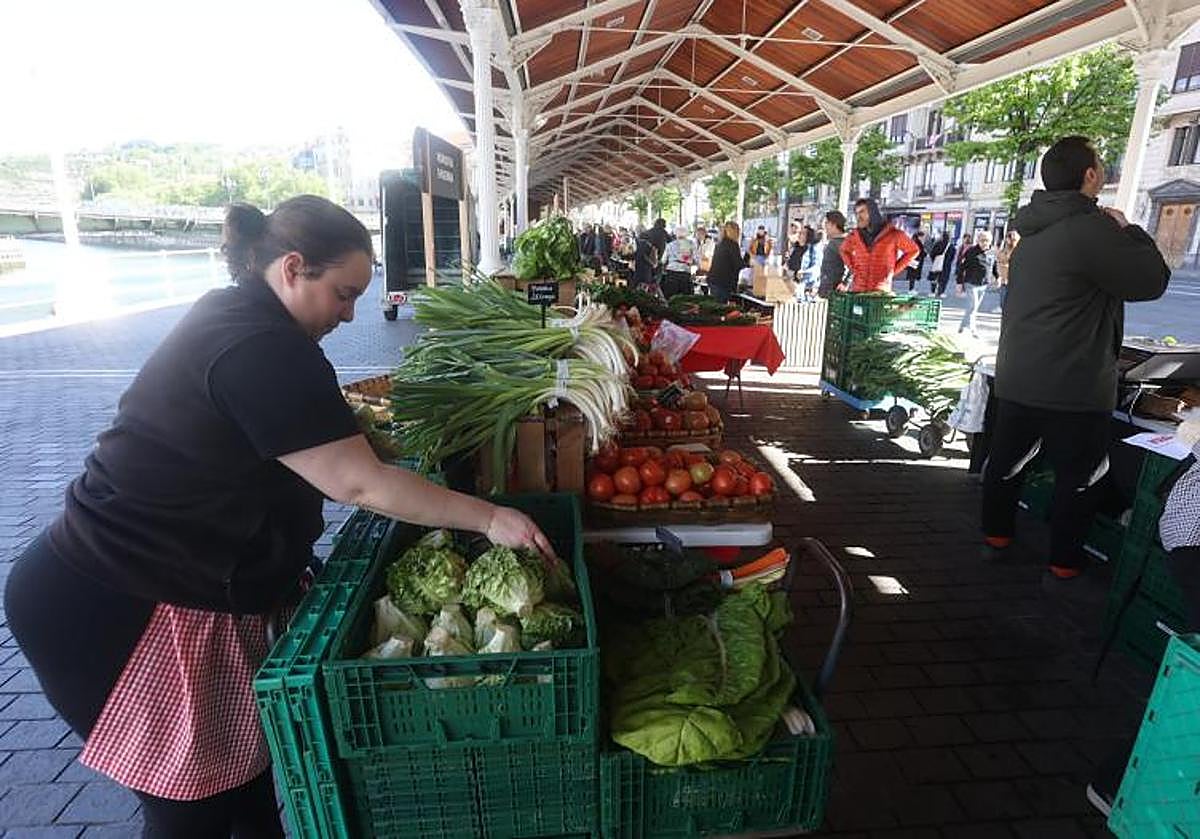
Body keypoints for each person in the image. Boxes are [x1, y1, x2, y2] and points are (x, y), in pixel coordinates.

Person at [2, 196, 556, 838]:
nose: (351, 313)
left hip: (155, 588)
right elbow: (359, 484)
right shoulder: (257, 345)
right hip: (114, 603)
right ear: (293, 267)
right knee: (191, 808)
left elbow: (321, 446)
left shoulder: (249, 319)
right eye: (343, 293)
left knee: (246, 784)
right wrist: (487, 518)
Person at [981, 135, 1170, 580]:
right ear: (1089, 175)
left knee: (1007, 462)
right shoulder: (1091, 228)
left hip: (1019, 373)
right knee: (1079, 476)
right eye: (1101, 163)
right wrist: (1131, 230)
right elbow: (1151, 280)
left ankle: (996, 535)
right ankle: (1064, 562)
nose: (1103, 169)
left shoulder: (1031, 232)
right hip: (1073, 383)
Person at [839, 198, 920, 293]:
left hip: (880, 291)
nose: (858, 217)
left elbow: (913, 250)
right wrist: (854, 268)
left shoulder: (894, 234)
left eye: (862, 212)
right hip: (858, 289)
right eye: (856, 213)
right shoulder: (854, 235)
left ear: (873, 212)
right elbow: (844, 250)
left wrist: (893, 270)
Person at [956, 230, 999, 338]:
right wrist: (959, 283)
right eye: (982, 240)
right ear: (978, 241)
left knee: (974, 308)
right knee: (972, 306)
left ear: (990, 241)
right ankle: (973, 330)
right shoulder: (971, 251)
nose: (984, 243)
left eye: (987, 240)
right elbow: (961, 268)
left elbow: (993, 266)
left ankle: (962, 326)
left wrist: (998, 277)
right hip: (971, 283)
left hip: (983, 285)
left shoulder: (991, 252)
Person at [707, 221, 742, 303]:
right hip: (723, 282)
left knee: (715, 306)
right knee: (721, 308)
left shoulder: (720, 243)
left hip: (714, 280)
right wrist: (749, 264)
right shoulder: (733, 245)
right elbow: (738, 264)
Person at [817, 211, 848, 298]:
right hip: (827, 289)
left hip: (836, 291)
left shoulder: (843, 243)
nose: (825, 226)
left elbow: (853, 266)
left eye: (827, 223)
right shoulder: (833, 242)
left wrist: (845, 283)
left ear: (834, 224)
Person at [662, 225, 697, 298]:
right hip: (685, 273)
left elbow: (663, 260)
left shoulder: (670, 245)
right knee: (686, 299)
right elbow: (696, 260)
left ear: (676, 234)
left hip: (671, 273)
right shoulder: (691, 244)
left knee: (671, 298)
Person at [795, 225, 823, 303]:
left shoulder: (814, 248)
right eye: (800, 233)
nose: (799, 235)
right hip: (795, 286)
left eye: (803, 233)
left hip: (807, 289)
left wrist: (804, 272)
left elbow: (817, 267)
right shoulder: (796, 247)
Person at [996, 229, 1020, 311]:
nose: (1007, 240)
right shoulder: (1003, 250)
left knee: (1012, 305)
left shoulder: (1019, 251)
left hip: (1015, 282)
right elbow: (999, 262)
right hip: (1004, 281)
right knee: (1003, 304)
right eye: (1007, 238)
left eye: (1009, 238)